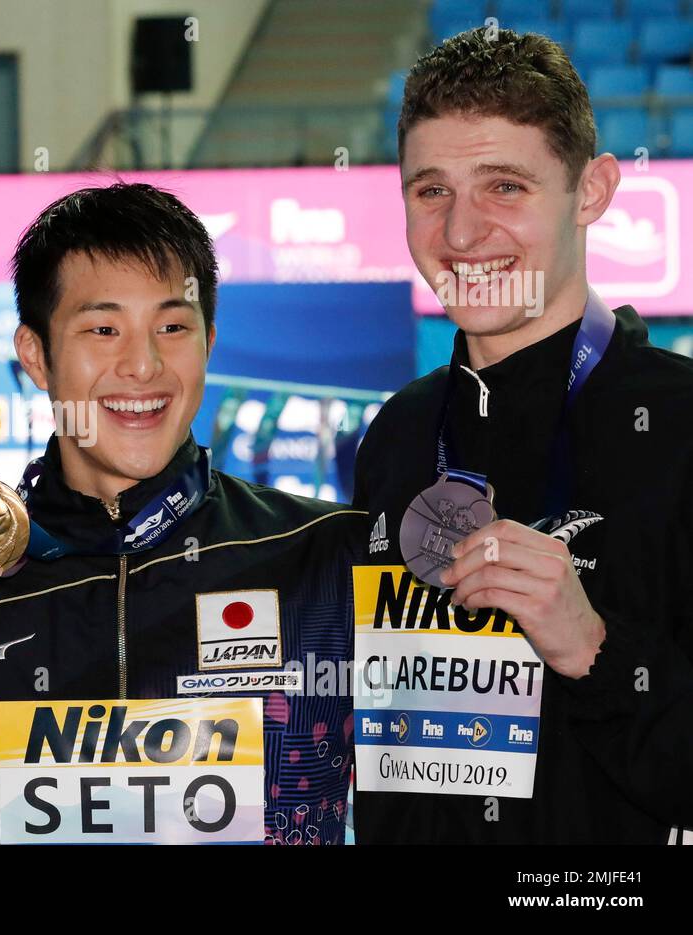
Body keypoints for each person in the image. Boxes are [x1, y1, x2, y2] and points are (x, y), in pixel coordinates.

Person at [0, 183, 365, 845]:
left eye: (172, 326)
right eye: (103, 329)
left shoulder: (330, 557)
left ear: (209, 340)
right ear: (35, 355)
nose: (143, 365)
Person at [352, 28, 693, 843]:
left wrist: (592, 647)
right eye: (431, 191)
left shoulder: (681, 429)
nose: (462, 235)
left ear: (593, 191)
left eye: (504, 186)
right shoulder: (398, 433)